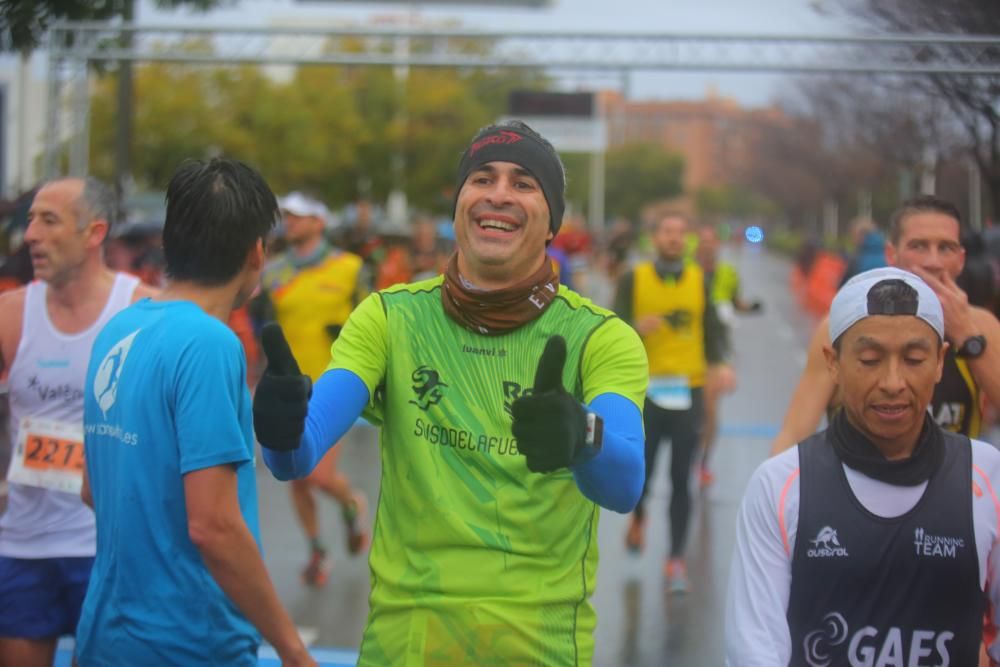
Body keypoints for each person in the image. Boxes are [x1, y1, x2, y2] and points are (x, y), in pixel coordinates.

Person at [254, 120, 648, 666]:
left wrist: (583, 436)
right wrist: (278, 428)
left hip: (537, 646)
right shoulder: (390, 318)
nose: (499, 194)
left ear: (552, 221)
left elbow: (625, 483)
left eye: (524, 183)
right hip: (406, 642)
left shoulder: (601, 338)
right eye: (482, 178)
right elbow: (299, 454)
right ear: (460, 204)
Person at [76, 159, 314, 667]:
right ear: (257, 251)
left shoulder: (117, 331)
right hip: (188, 642)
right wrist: (294, 652)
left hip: (104, 631)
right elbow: (214, 526)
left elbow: (93, 490)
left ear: (171, 240)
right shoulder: (210, 344)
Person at [725, 267, 1000, 665]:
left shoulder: (987, 476)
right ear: (832, 362)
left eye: (914, 358)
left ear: (940, 361)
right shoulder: (781, 485)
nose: (893, 381)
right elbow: (753, 649)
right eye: (870, 359)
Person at [0, 177, 153, 667]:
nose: (31, 236)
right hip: (23, 544)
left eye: (49, 221)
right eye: (30, 222)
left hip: (108, 546)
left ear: (94, 233)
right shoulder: (11, 315)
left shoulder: (142, 311)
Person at [772, 195, 1000, 454]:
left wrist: (968, 336)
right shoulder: (845, 325)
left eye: (945, 248)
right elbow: (795, 431)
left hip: (952, 488)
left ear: (960, 259)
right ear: (892, 254)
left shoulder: (981, 326)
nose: (933, 261)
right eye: (919, 246)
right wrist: (771, 488)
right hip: (855, 487)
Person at [257, 191, 369, 587]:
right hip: (289, 385)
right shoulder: (272, 273)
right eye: (287, 215)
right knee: (294, 474)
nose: (291, 222)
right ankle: (317, 550)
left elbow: (369, 317)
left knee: (319, 476)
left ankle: (350, 502)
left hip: (334, 385)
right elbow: (263, 325)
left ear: (319, 222)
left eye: (300, 216)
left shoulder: (350, 267)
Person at [614, 213, 729, 593]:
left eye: (681, 233)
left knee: (683, 478)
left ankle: (675, 559)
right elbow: (611, 328)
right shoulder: (634, 278)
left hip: (689, 390)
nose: (675, 239)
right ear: (655, 238)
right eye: (668, 232)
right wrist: (633, 327)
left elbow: (711, 328)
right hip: (646, 392)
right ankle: (639, 517)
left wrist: (720, 366)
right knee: (640, 472)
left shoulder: (700, 280)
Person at [694, 225, 762, 487]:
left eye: (712, 242)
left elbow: (734, 302)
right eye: (703, 242)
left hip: (716, 352)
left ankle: (703, 462)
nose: (708, 247)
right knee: (692, 411)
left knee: (710, 410)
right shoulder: (688, 272)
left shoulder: (728, 273)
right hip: (688, 349)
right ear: (698, 247)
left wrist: (749, 307)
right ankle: (687, 454)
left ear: (717, 246)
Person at [839, 215, 888, 286]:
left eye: (853, 235)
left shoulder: (857, 260)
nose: (852, 240)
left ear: (860, 235)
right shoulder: (889, 255)